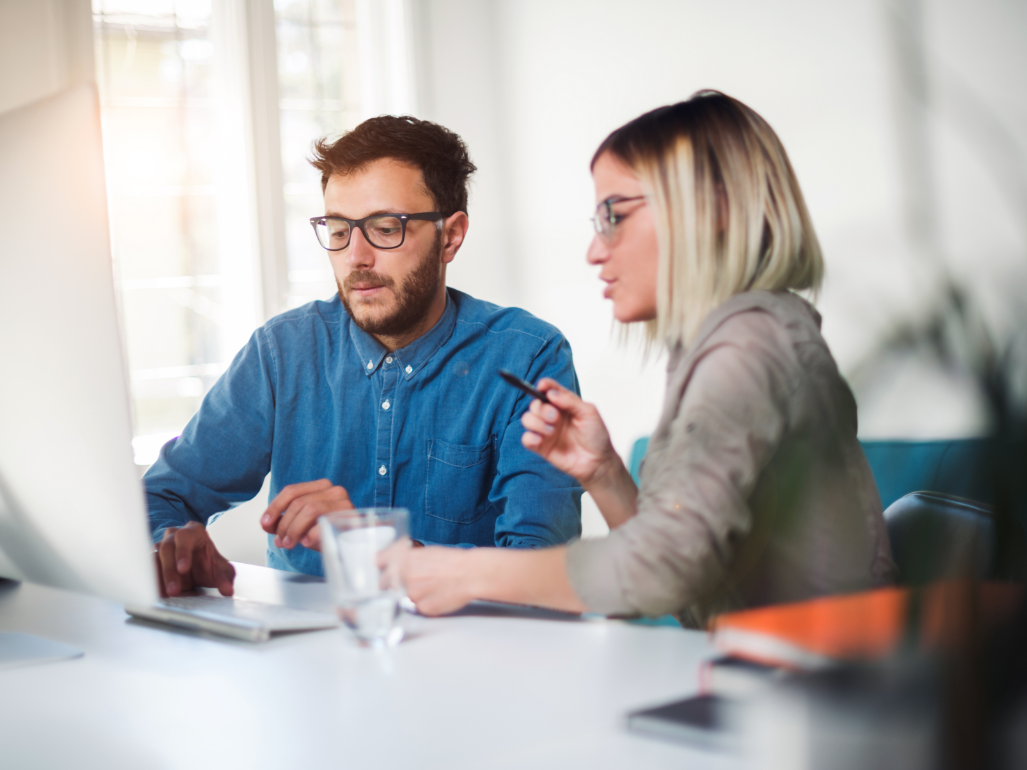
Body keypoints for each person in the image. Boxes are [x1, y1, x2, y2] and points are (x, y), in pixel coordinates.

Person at [395, 91, 897, 627]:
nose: (594, 250)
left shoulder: (748, 349)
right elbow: (690, 574)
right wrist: (605, 472)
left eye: (615, 215)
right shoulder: (732, 339)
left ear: (714, 208)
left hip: (816, 691)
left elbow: (662, 571)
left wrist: (465, 573)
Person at [146, 116, 582, 597]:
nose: (356, 257)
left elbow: (547, 576)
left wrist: (375, 545)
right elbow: (162, 495)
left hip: (465, 660)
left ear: (451, 236)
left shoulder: (527, 357)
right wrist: (172, 546)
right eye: (338, 229)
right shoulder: (282, 353)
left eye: (385, 228)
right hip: (304, 660)